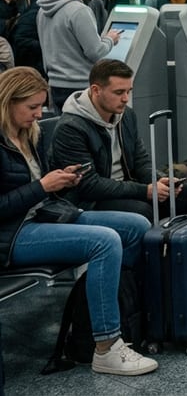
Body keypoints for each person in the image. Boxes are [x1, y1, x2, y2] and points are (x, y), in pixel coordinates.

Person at [0, 67, 158, 376]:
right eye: (32, 107)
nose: (38, 114)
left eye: (40, 106)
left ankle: (99, 317)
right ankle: (106, 345)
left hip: (45, 214)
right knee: (105, 241)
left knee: (136, 226)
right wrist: (42, 186)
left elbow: (41, 188)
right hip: (13, 233)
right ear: (8, 101)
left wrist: (61, 181)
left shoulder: (27, 133)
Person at [51, 59, 187, 219]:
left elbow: (141, 161)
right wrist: (144, 191)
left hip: (127, 187)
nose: (126, 99)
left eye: (129, 91)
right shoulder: (71, 128)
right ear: (96, 90)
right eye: (119, 92)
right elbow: (89, 185)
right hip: (92, 199)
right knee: (142, 210)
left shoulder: (126, 115)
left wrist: (161, 181)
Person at [36, 0, 121, 113]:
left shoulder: (43, 9)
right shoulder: (79, 10)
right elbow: (96, 52)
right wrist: (110, 39)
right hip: (79, 88)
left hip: (54, 85)